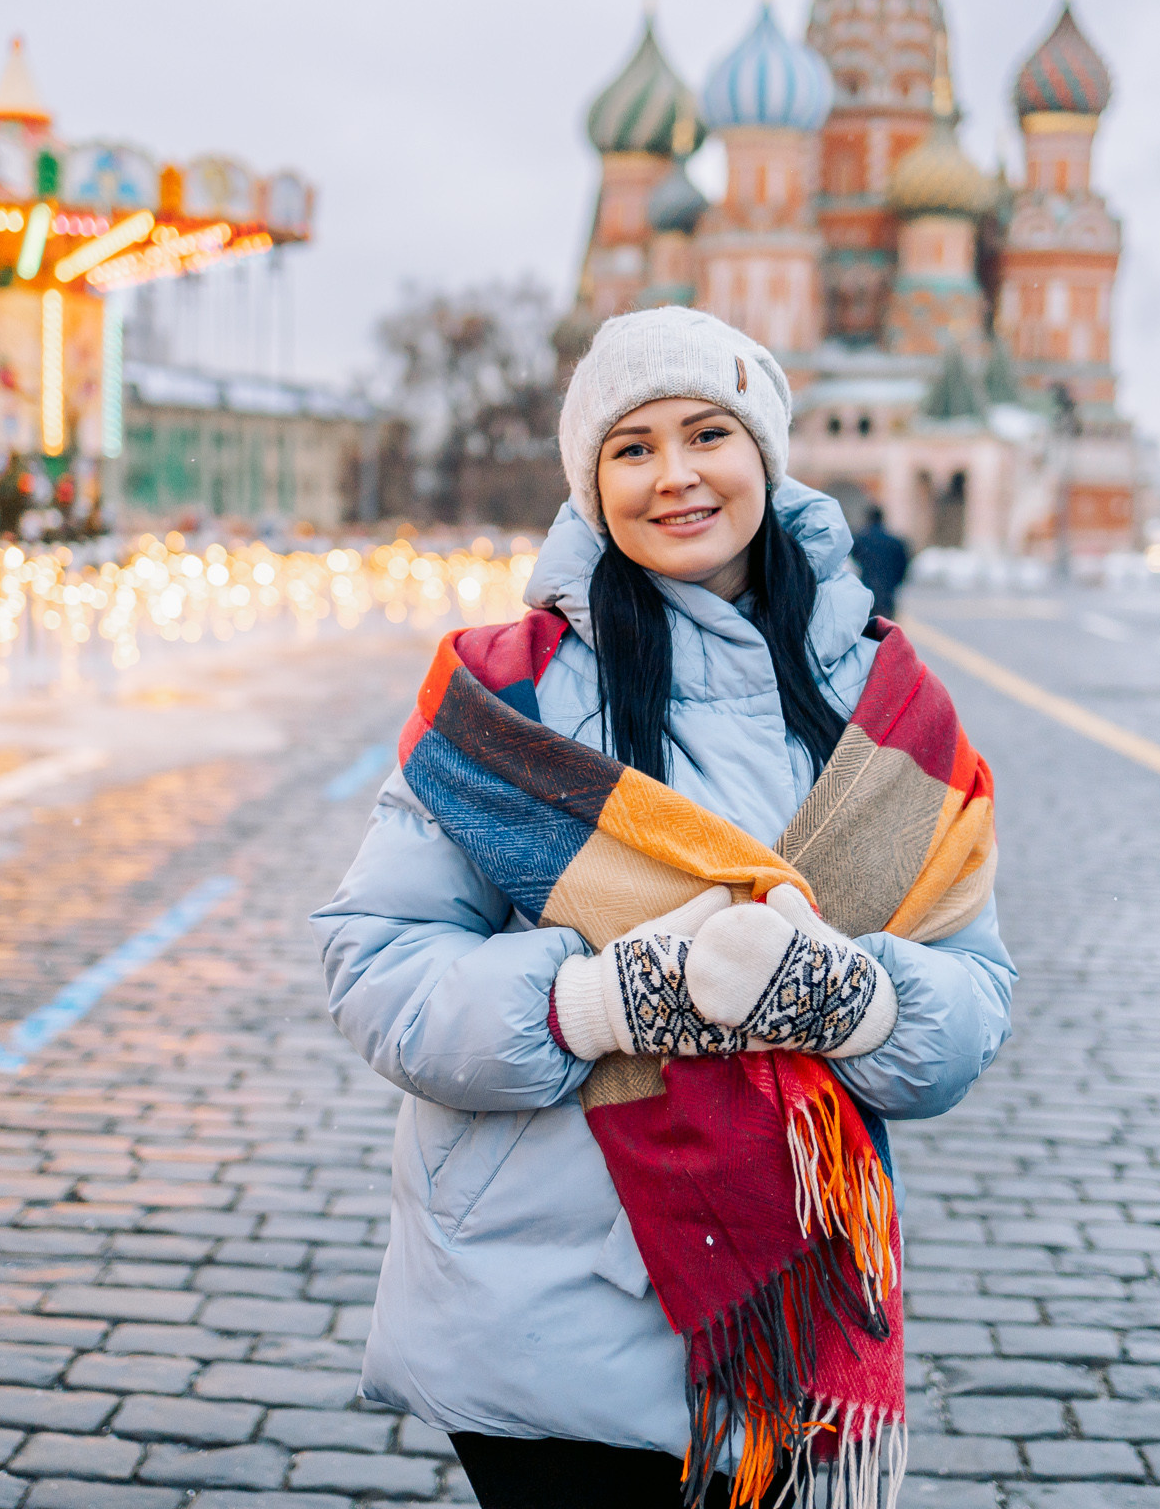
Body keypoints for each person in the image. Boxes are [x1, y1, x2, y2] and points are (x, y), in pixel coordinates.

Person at [313, 306, 1015, 1509]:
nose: (676, 475)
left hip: (796, 1310)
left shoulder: (886, 704)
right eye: (632, 447)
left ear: (765, 452)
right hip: (541, 1300)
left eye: (708, 433)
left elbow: (973, 993)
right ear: (592, 480)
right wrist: (588, 1000)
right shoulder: (510, 690)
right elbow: (374, 966)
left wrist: (863, 1001)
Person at [852, 503, 910, 620]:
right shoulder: (895, 541)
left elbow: (853, 562)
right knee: (885, 629)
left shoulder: (860, 539)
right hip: (887, 594)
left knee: (866, 631)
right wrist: (895, 582)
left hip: (866, 592)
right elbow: (903, 565)